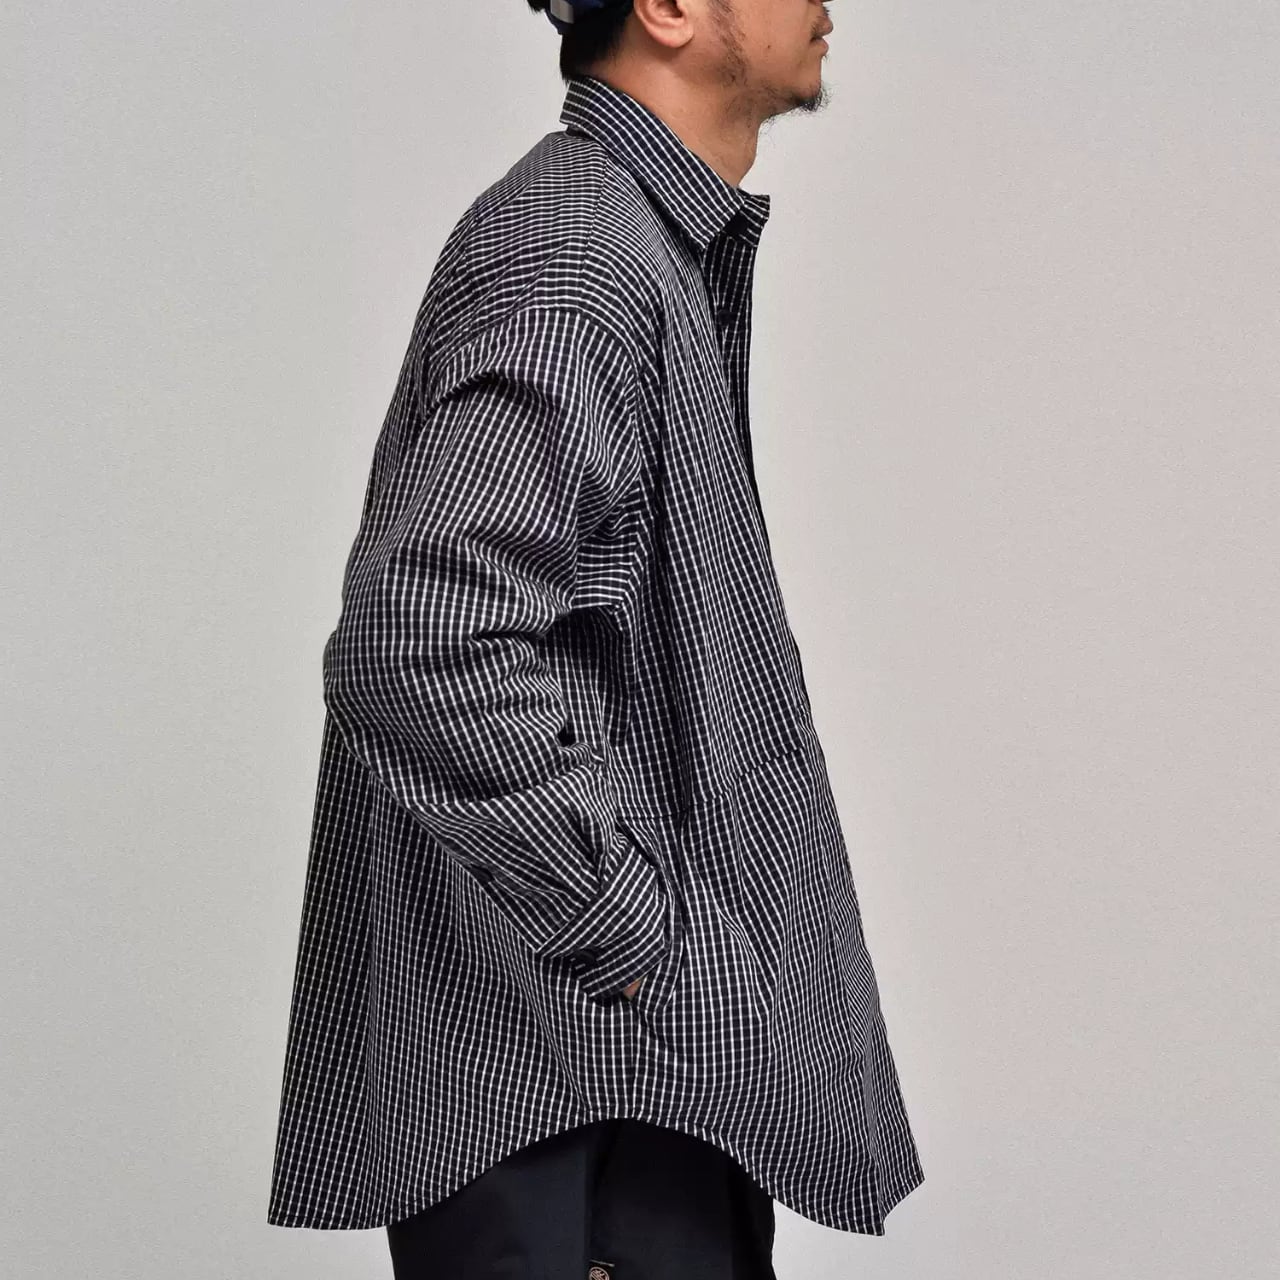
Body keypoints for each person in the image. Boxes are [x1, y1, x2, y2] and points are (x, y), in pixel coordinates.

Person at [267, 2, 925, 1276]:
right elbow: (419, 643)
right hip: (580, 1106)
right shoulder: (577, 257)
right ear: (667, 9)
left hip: (615, 1097)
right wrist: (644, 950)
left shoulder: (626, 243)